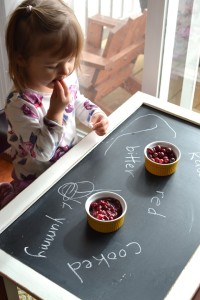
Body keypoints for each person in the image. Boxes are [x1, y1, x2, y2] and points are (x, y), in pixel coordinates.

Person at [0, 0, 109, 209]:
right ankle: (8, 192)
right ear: (22, 59)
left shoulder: (65, 77)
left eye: (70, 59)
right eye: (52, 65)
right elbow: (42, 153)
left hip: (67, 163)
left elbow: (76, 100)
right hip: (35, 179)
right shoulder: (18, 105)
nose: (66, 70)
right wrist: (55, 112)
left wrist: (94, 115)